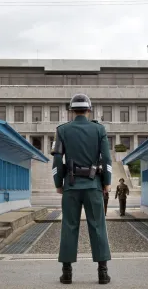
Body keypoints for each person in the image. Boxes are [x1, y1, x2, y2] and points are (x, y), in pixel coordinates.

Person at [51, 93, 112, 285]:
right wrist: (107, 181)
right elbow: (107, 159)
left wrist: (58, 183)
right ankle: (102, 272)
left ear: (71, 110)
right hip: (94, 185)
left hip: (71, 185)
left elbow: (56, 159)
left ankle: (66, 273)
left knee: (69, 227)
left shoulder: (62, 130)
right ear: (89, 109)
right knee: (98, 227)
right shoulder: (99, 129)